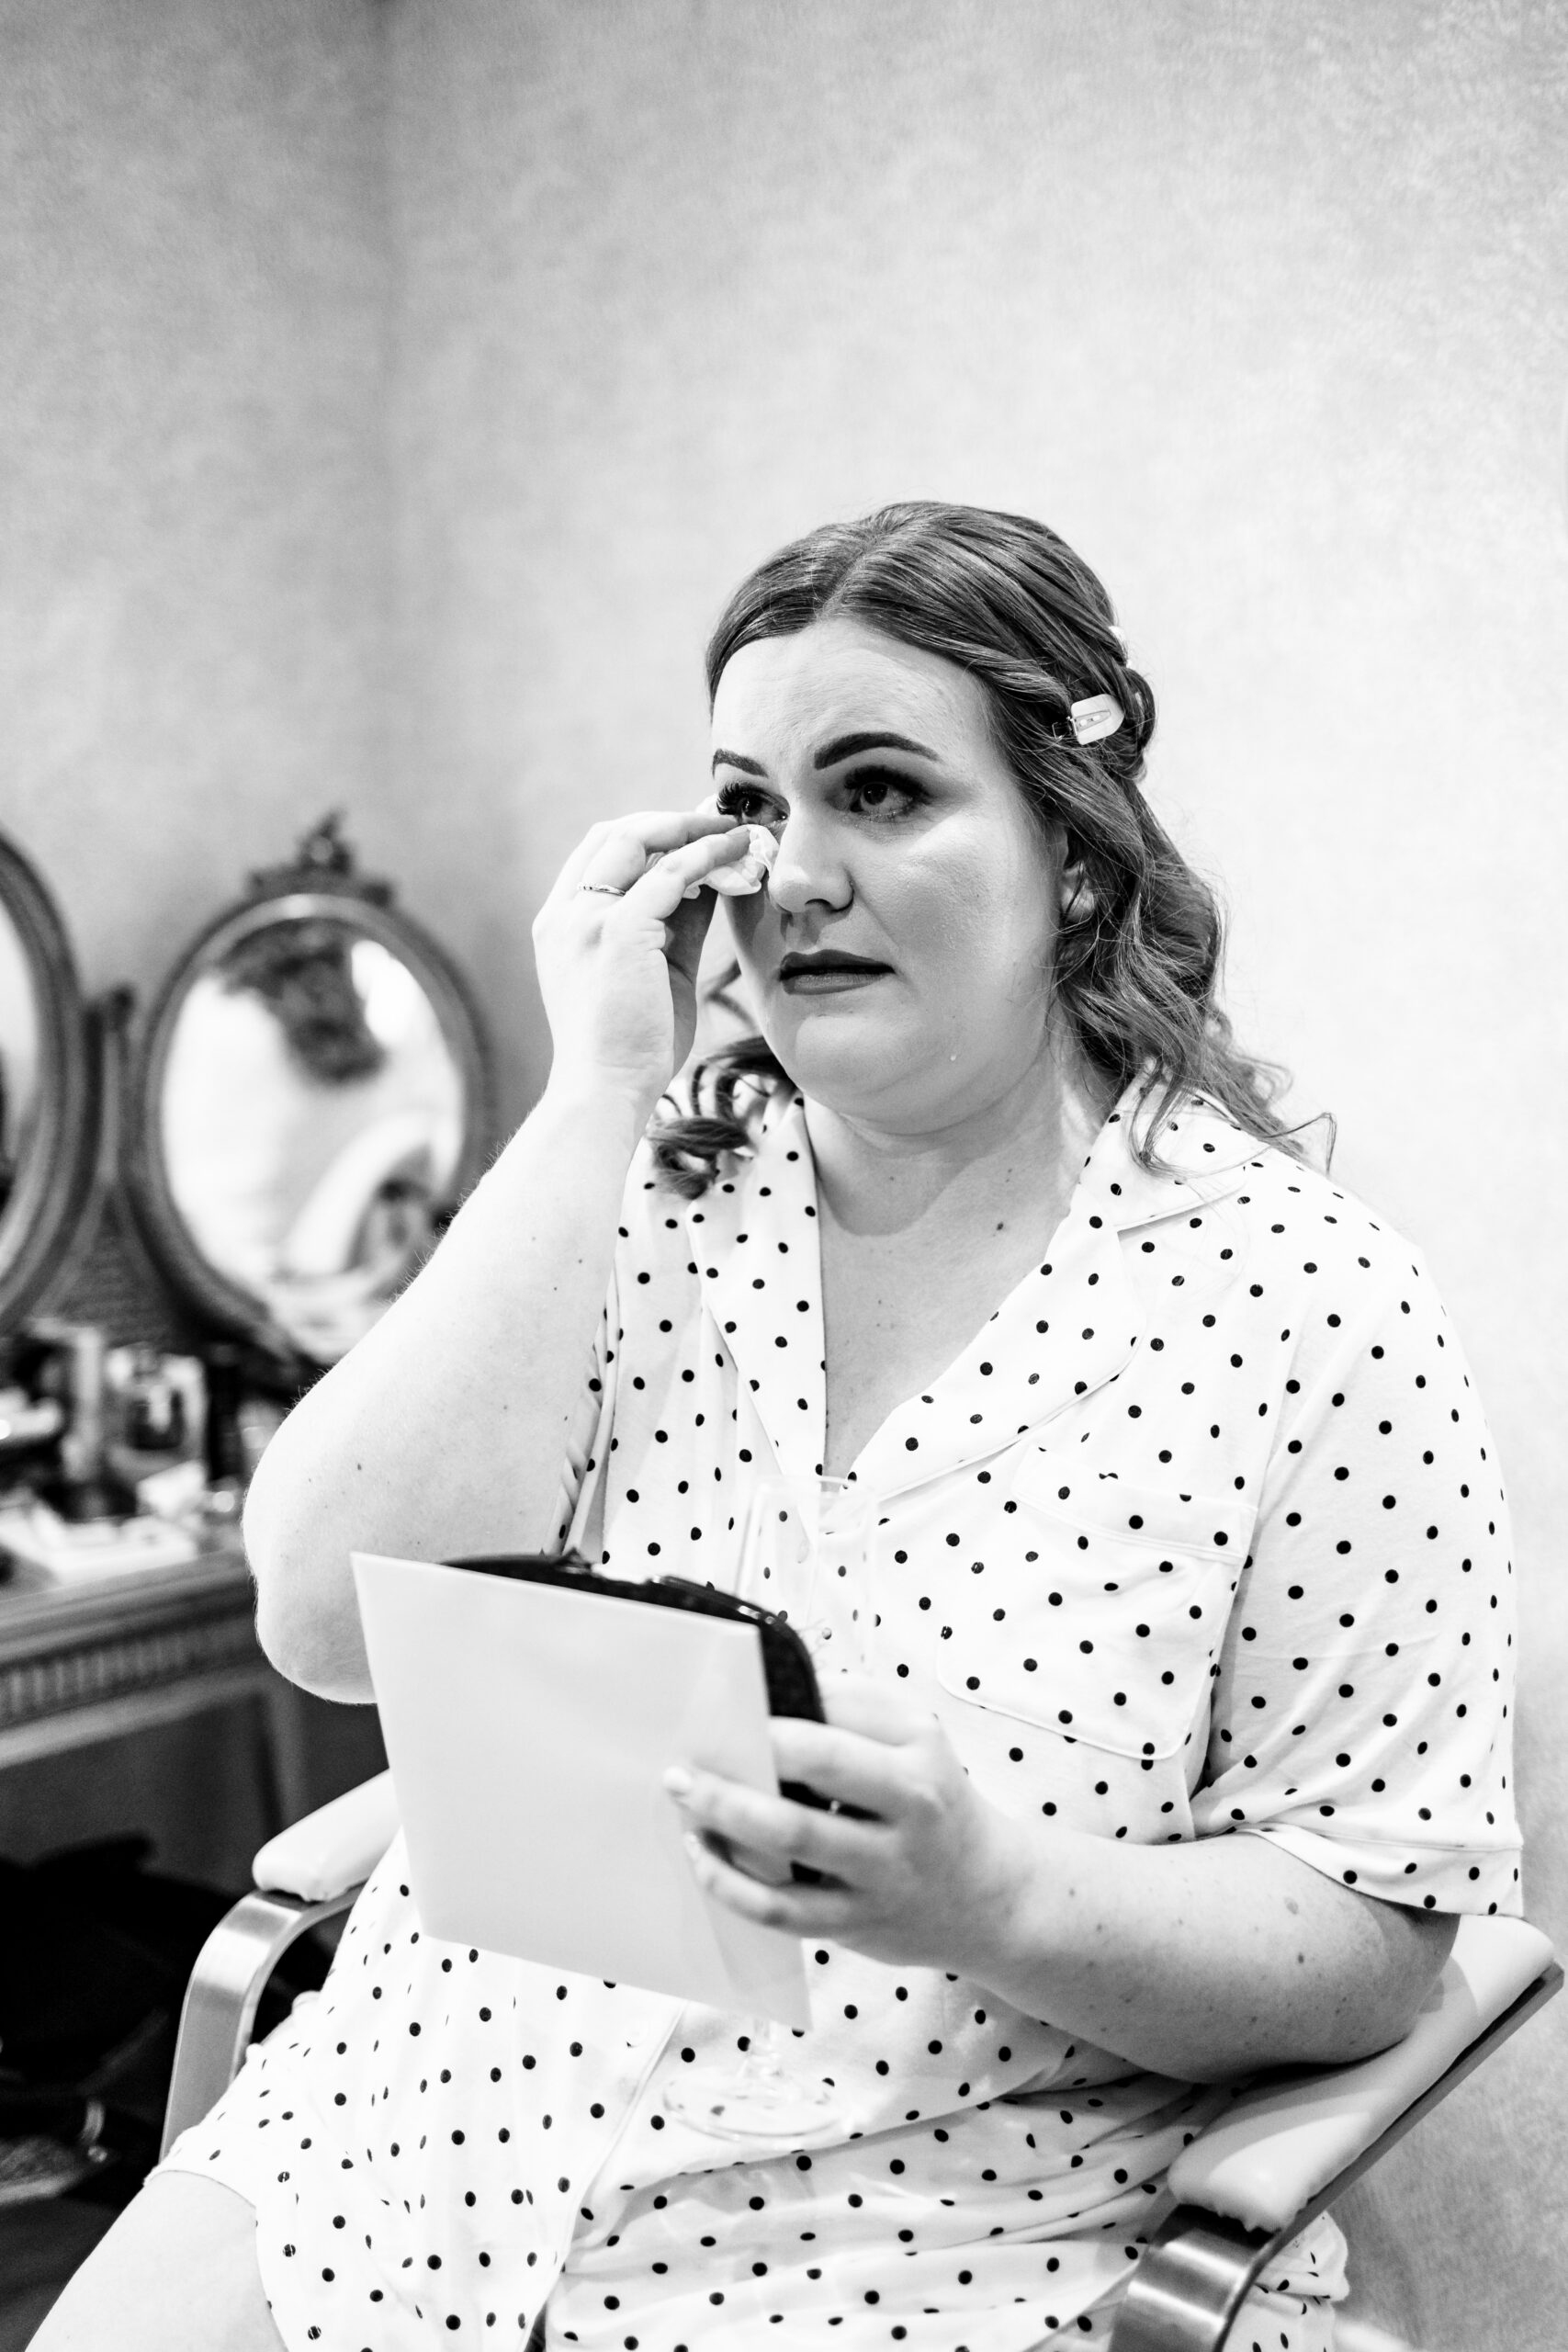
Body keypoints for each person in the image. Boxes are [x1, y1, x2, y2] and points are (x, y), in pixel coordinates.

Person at [39, 503, 1520, 2351]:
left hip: (934, 2224)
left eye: (881, 791)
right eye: (750, 802)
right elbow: (319, 1619)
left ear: (1069, 857)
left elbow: (1374, 1931)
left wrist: (992, 1894)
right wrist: (592, 1090)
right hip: (430, 2126)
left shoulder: (1306, 1306)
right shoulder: (634, 1198)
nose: (790, 871)